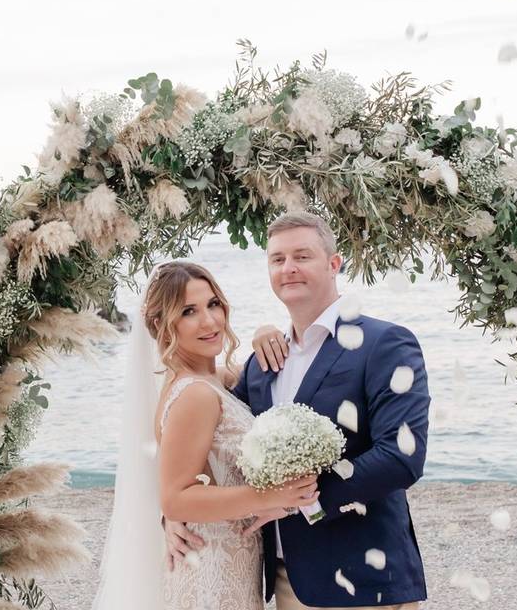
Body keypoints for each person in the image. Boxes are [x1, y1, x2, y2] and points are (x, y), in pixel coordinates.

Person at [165, 211, 431, 609]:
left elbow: (402, 457)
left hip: (364, 578)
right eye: (277, 259)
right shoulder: (261, 362)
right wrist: (174, 513)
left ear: (334, 263)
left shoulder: (386, 344)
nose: (288, 268)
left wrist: (300, 499)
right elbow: (208, 445)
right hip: (287, 582)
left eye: (302, 256)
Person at [91, 261, 318, 610]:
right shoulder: (194, 394)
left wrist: (267, 332)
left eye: (213, 304)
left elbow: (257, 376)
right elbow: (176, 499)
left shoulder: (213, 381)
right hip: (210, 568)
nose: (210, 321)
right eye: (188, 312)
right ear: (161, 326)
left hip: (230, 563)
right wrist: (270, 495)